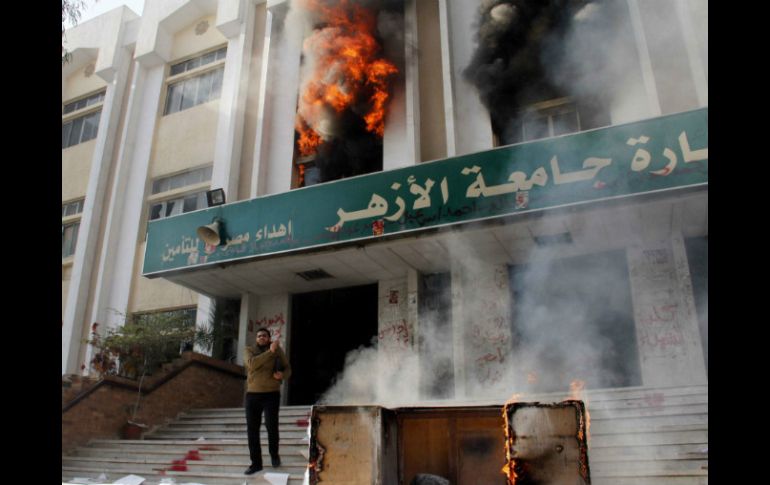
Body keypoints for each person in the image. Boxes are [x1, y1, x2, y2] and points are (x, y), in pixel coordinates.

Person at [243, 327, 291, 475]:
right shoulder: (249, 350)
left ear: (269, 338)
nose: (261, 337)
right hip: (253, 395)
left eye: (264, 335)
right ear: (256, 339)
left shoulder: (278, 350)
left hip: (271, 394)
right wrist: (270, 352)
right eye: (259, 336)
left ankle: (274, 455)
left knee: (272, 426)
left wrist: (282, 375)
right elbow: (252, 364)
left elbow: (288, 368)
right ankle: (256, 464)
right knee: (252, 430)